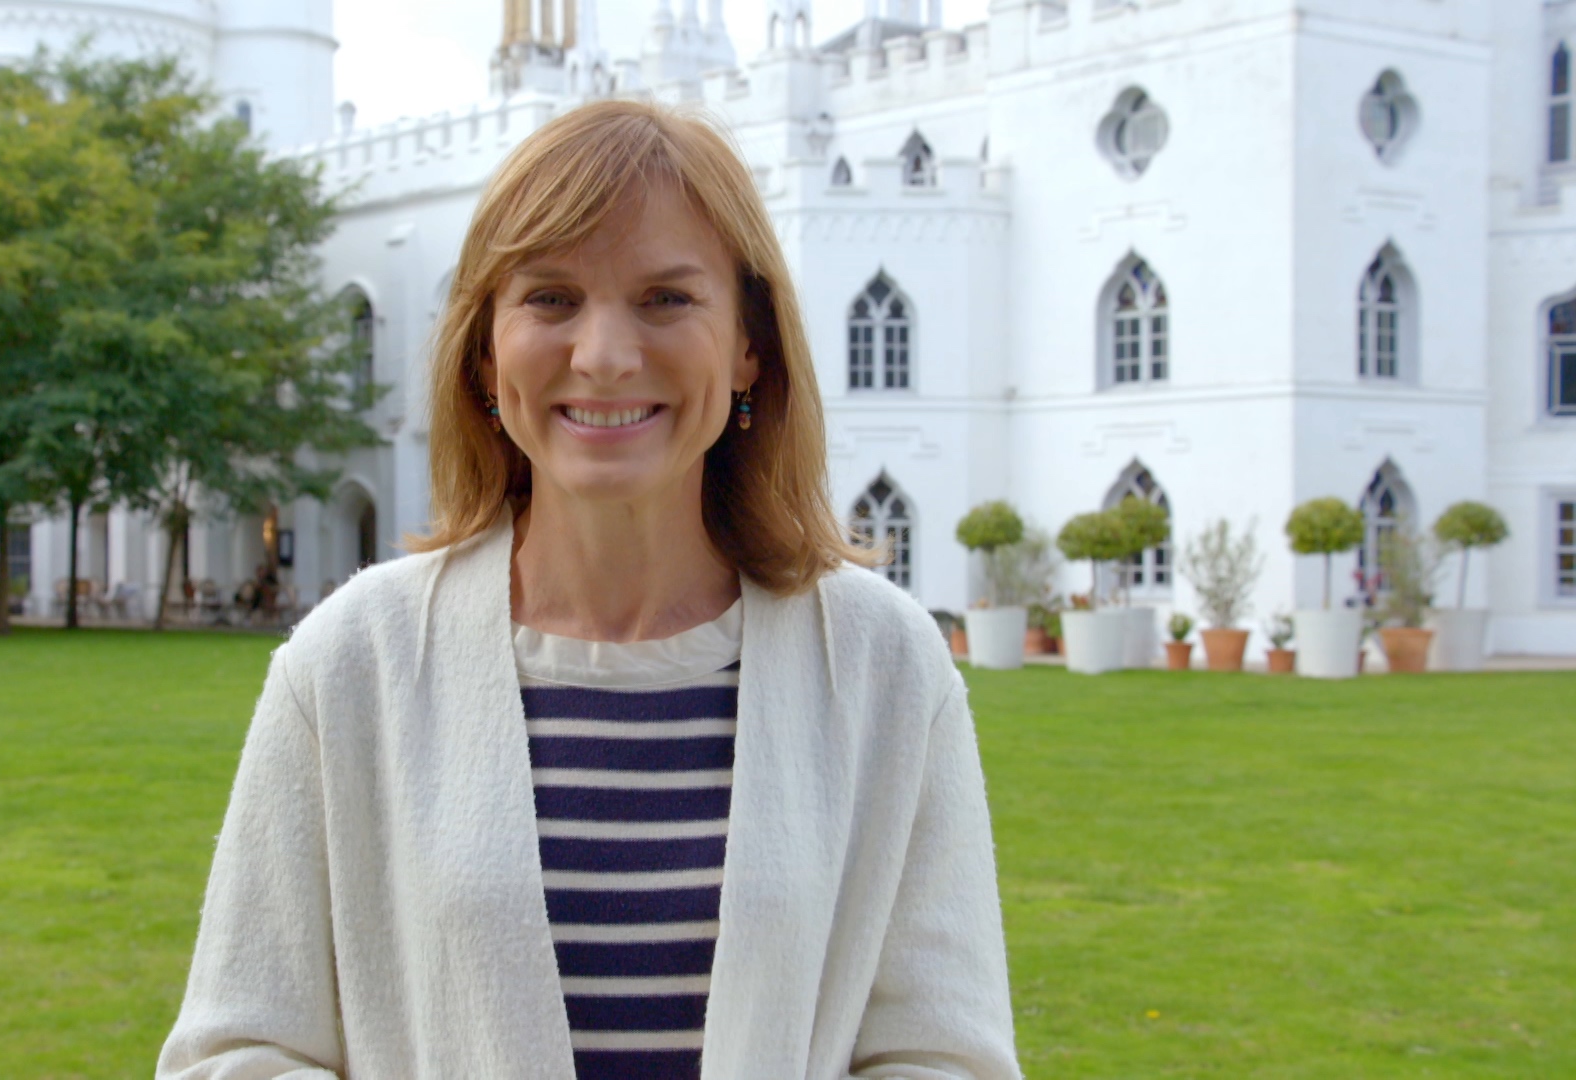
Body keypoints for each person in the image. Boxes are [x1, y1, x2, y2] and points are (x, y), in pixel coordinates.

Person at [158, 100, 1021, 1080]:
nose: (604, 354)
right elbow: (238, 1051)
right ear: (487, 348)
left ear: (749, 344)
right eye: (553, 298)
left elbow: (943, 1056)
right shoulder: (352, 662)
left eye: (665, 299)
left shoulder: (881, 667)